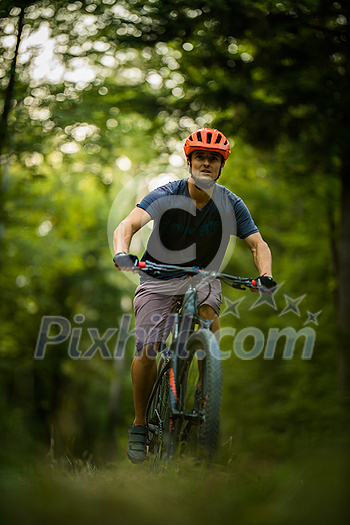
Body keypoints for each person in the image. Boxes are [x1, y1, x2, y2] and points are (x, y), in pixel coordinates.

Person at [113, 127, 276, 463]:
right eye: (200, 157)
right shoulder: (167, 194)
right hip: (157, 275)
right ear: (190, 162)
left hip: (202, 276)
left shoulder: (230, 203)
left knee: (208, 315)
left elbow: (257, 243)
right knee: (147, 349)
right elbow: (127, 225)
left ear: (220, 166)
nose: (206, 163)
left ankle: (206, 390)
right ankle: (140, 424)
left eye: (213, 159)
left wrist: (266, 275)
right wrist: (122, 252)